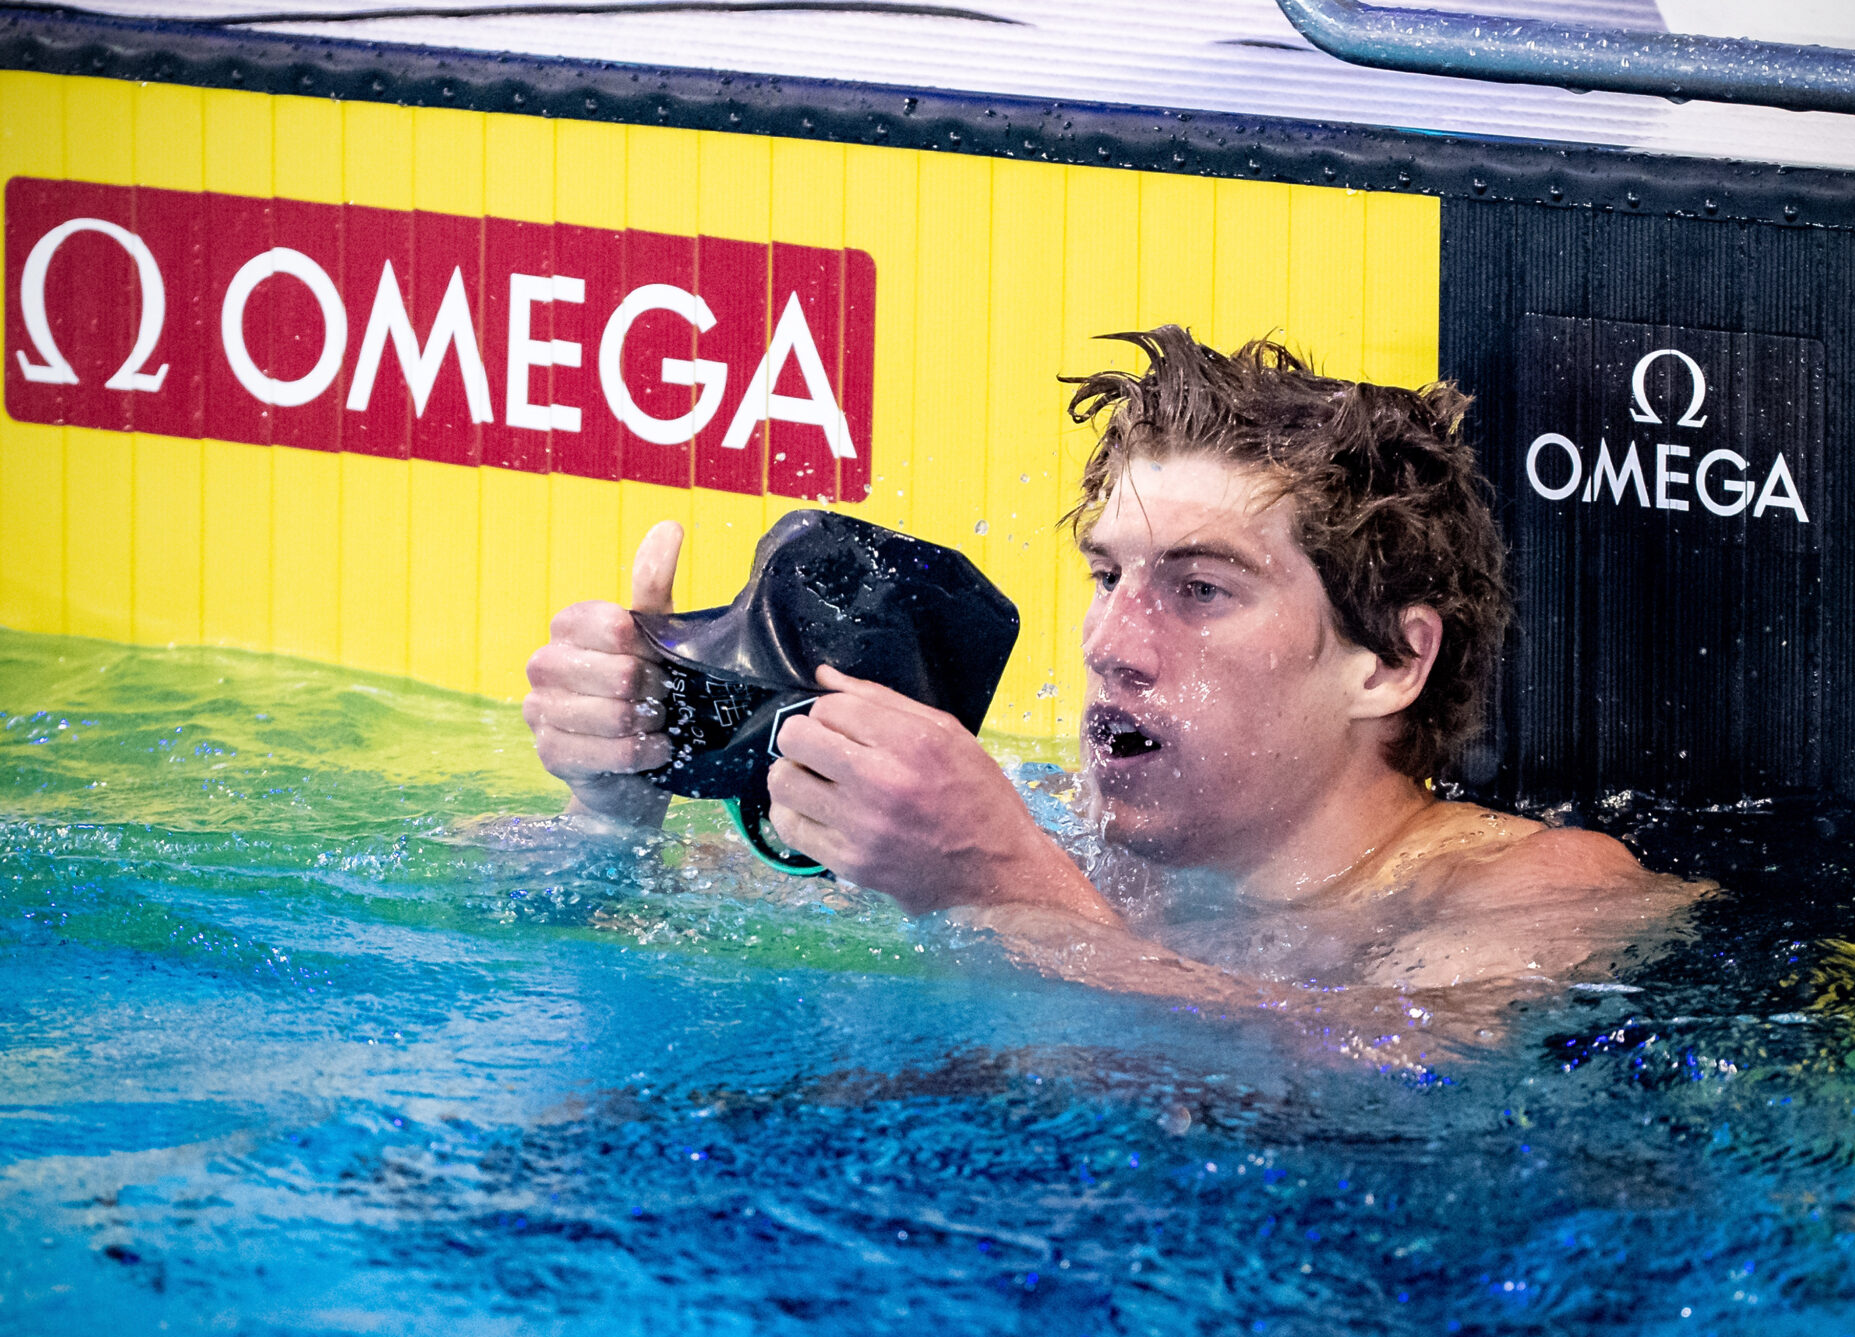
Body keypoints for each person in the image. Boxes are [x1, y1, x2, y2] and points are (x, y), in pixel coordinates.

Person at [524, 327, 1694, 1053]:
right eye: (1106, 575)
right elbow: (550, 920)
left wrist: (1000, 888)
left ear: (1386, 662)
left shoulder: (1535, 886)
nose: (1108, 641)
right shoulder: (1051, 827)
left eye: (1197, 589)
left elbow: (1387, 1090)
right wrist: (615, 809)